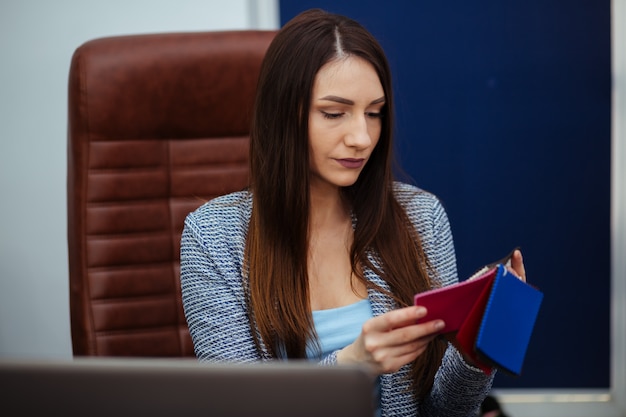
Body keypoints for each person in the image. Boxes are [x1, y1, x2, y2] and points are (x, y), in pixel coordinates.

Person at [180, 8, 527, 417]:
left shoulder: (421, 217)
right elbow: (234, 409)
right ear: (284, 115)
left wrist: (475, 350)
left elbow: (443, 413)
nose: (362, 137)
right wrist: (354, 365)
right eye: (334, 113)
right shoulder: (213, 235)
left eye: (374, 113)